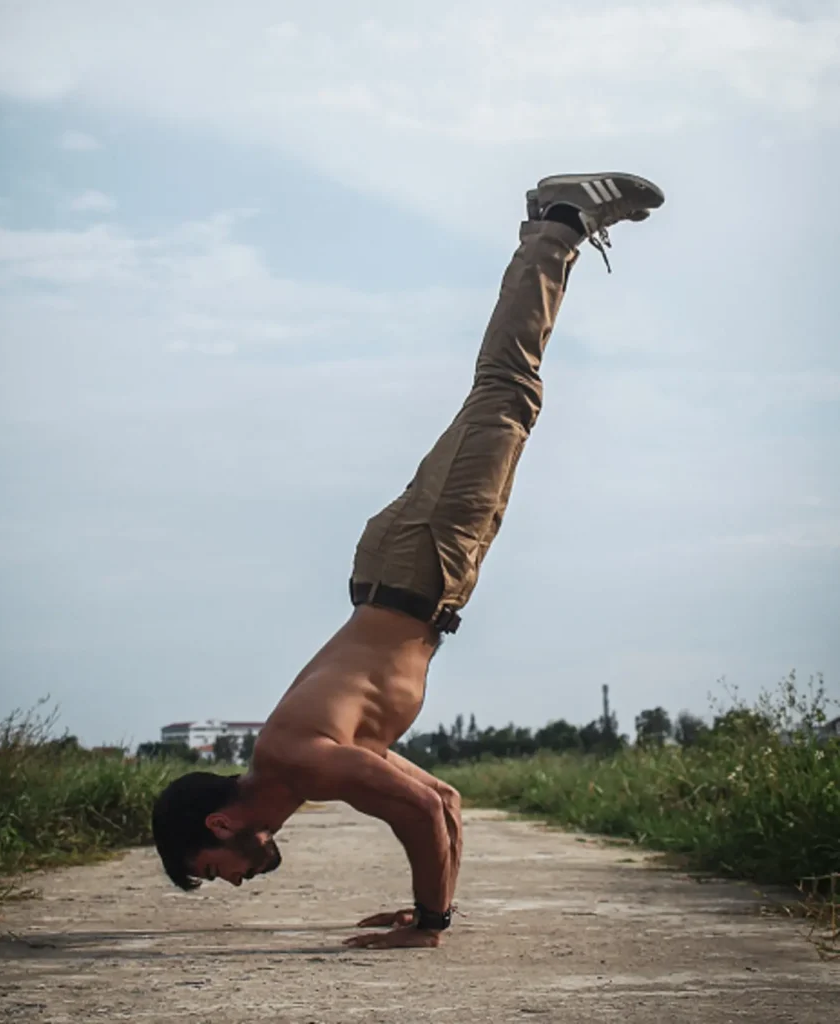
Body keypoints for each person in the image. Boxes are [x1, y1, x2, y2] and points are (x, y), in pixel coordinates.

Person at [151, 172, 666, 949]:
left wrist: (429, 926)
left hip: (417, 568)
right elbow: (446, 802)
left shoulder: (302, 762)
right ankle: (548, 226)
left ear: (222, 823)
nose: (227, 880)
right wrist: (430, 912)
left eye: (210, 865)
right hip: (410, 572)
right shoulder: (310, 767)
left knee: (508, 393)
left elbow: (424, 814)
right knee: (502, 396)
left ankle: (559, 222)